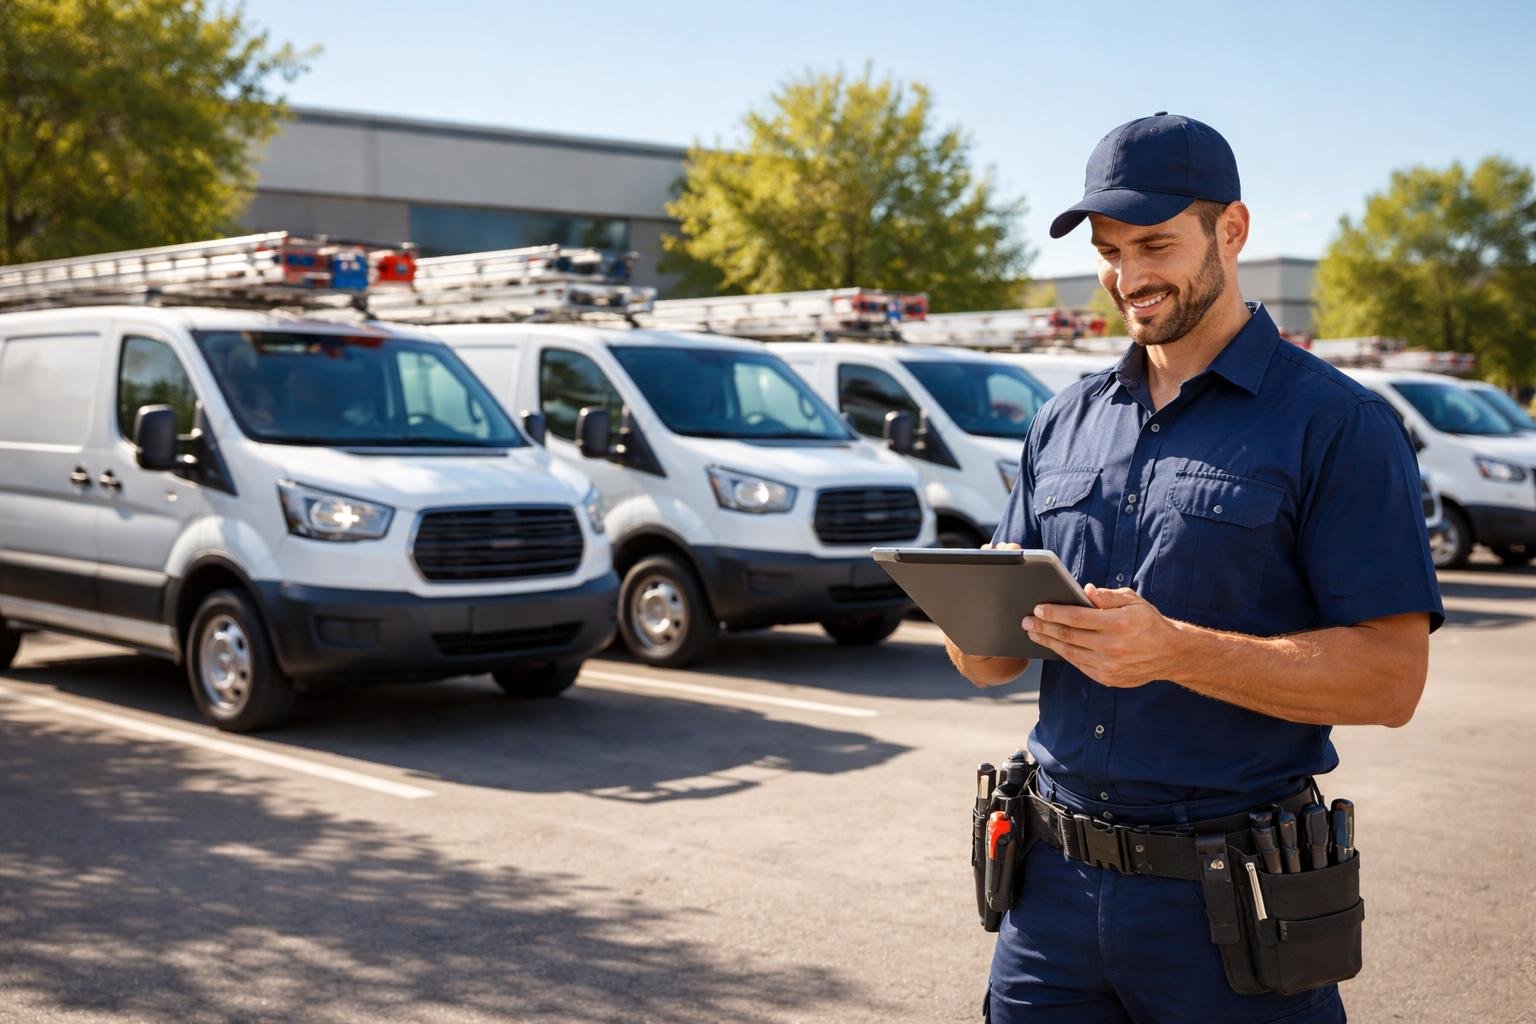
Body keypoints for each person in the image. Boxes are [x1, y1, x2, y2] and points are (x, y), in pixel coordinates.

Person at [944, 113, 1444, 1023]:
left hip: (1232, 917)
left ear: (1233, 230)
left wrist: (1174, 651)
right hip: (1047, 904)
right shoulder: (1062, 421)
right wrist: (968, 622)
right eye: (1107, 251)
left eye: (1155, 244)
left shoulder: (1337, 425)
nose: (1128, 278)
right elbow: (991, 664)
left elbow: (1391, 680)